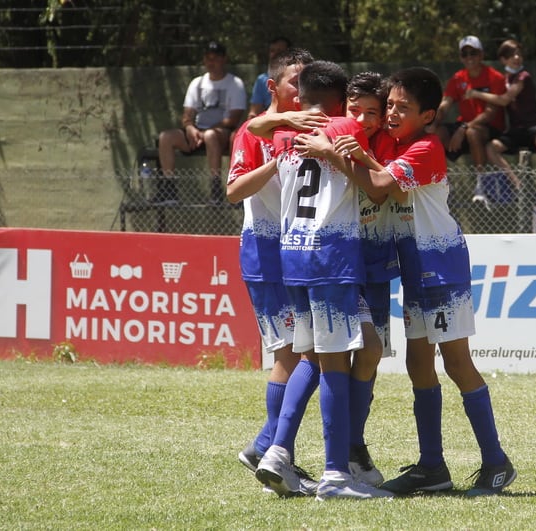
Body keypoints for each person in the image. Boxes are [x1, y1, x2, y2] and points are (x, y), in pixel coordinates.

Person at [345, 67, 516, 497]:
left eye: (403, 107)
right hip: (415, 269)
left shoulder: (425, 147)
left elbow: (381, 185)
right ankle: (432, 467)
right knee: (417, 364)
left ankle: (497, 462)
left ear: (428, 115)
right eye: (389, 106)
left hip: (441, 267)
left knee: (457, 363)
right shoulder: (393, 142)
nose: (391, 114)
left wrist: (341, 157)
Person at [253, 60, 393, 501]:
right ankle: (336, 475)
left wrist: (284, 114)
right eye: (353, 103)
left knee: (321, 356)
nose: (364, 114)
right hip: (330, 259)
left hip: (292, 257)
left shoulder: (282, 134)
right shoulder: (347, 128)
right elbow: (377, 187)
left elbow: (257, 128)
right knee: (332, 362)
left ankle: (277, 450)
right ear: (340, 101)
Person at [226, 48, 319, 497]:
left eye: (307, 82)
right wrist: (275, 160)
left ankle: (268, 447)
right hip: (265, 253)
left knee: (299, 352)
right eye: (293, 82)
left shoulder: (310, 126)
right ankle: (272, 451)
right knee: (290, 354)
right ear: (272, 87)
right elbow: (233, 191)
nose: (300, 91)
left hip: (300, 251)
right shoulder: (253, 131)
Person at [463, 39, 536, 206]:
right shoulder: (502, 79)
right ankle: (519, 185)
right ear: (503, 59)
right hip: (517, 129)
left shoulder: (523, 76)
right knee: (491, 148)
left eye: (519, 54)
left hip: (535, 124)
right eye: (512, 55)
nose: (517, 57)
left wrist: (476, 94)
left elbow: (504, 100)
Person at [158, 40, 247, 203]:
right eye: (208, 58)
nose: (211, 62)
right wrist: (190, 128)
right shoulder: (196, 83)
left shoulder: (235, 84)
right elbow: (187, 115)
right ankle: (168, 189)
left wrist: (206, 132)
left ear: (224, 59)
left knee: (211, 135)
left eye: (215, 58)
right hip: (197, 133)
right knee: (166, 137)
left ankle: (215, 188)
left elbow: (233, 119)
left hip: (221, 134)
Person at [429, 35, 507, 204]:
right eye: (465, 54)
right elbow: (445, 104)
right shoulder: (458, 78)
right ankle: (445, 185)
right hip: (464, 127)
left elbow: (490, 114)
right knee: (435, 132)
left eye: (473, 53)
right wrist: (432, 120)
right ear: (461, 58)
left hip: (489, 129)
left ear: (481, 55)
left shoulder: (495, 77)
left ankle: (481, 186)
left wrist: (463, 128)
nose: (469, 57)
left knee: (472, 132)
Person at [247, 36, 291, 120]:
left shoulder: (300, 77)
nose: (275, 54)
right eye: (272, 51)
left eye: (280, 51)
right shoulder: (261, 79)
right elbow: (254, 112)